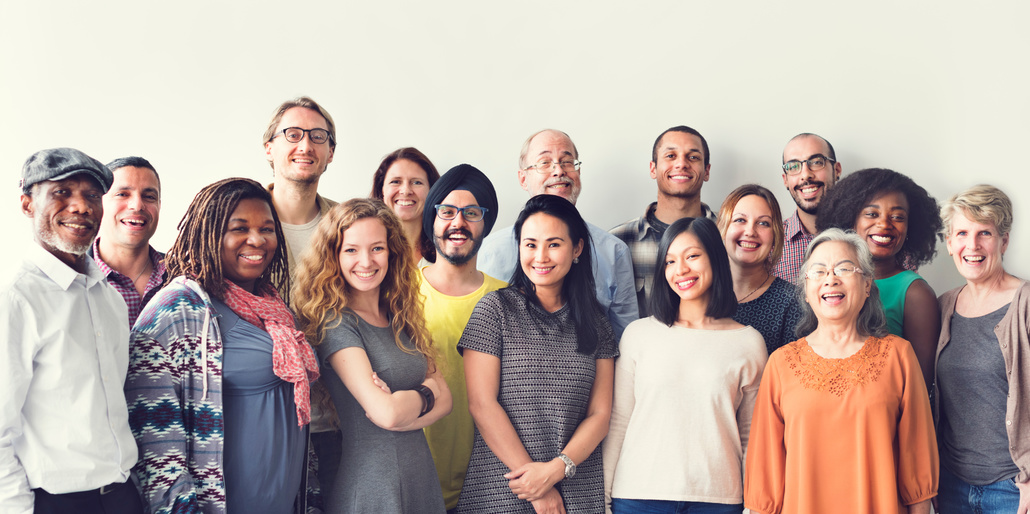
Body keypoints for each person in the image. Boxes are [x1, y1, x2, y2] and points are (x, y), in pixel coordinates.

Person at [126, 178, 321, 514]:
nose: (257, 240)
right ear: (209, 233)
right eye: (239, 228)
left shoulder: (274, 306)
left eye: (267, 228)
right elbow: (154, 445)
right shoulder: (177, 310)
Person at [744, 228, 938, 514]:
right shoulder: (781, 364)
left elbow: (918, 461)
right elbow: (765, 475)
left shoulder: (898, 356)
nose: (830, 279)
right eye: (819, 271)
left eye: (844, 268)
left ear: (867, 284)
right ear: (807, 291)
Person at [2, 148, 142, 513]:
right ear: (27, 204)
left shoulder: (109, 297)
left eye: (93, 196)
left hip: (123, 495)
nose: (81, 206)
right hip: (55, 503)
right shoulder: (15, 298)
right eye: (61, 192)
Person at [458, 194, 618, 513]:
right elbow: (482, 404)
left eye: (554, 244)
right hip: (503, 488)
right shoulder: (495, 310)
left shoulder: (597, 323)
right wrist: (538, 490)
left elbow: (599, 416)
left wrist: (555, 470)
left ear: (577, 249)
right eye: (530, 244)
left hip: (575, 488)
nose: (540, 256)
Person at [293, 198, 452, 513]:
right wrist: (426, 394)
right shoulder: (335, 322)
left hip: (420, 478)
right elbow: (387, 415)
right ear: (333, 256)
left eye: (376, 248)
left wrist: (410, 403)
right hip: (372, 488)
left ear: (392, 252)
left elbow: (447, 400)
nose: (365, 261)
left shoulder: (401, 316)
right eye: (351, 249)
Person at [604, 217, 766, 514]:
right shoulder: (639, 335)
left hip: (719, 500)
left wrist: (753, 506)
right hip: (639, 496)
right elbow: (619, 421)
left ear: (715, 260)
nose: (681, 270)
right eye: (670, 261)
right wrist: (603, 498)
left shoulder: (748, 343)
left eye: (692, 256)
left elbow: (752, 436)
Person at [478, 129, 638, 338]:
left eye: (567, 162)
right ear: (523, 178)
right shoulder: (492, 251)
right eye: (545, 163)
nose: (558, 171)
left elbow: (625, 339)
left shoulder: (613, 250)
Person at [262, 96, 343, 491]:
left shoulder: (349, 225)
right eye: (292, 134)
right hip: (262, 417)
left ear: (330, 153)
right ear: (269, 148)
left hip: (338, 420)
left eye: (317, 137)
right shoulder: (239, 223)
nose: (305, 145)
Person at [934, 185, 1029, 514]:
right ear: (949, 243)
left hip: (1013, 488)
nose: (971, 245)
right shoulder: (944, 305)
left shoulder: (1026, 304)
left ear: (1003, 241)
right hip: (951, 485)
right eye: (961, 233)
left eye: (984, 232)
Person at [418, 164, 507, 512]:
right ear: (433, 219)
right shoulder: (397, 292)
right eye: (447, 211)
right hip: (413, 477)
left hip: (485, 483)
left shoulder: (508, 299)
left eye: (471, 213)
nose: (458, 222)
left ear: (485, 224)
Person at [816, 168, 941, 393]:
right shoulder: (827, 284)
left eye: (898, 217)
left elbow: (920, 387)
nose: (884, 224)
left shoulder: (915, 293)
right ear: (850, 219)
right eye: (872, 214)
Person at [611, 125, 717, 318]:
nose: (681, 164)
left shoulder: (730, 233)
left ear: (707, 170)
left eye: (693, 157)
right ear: (653, 168)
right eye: (670, 156)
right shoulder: (617, 242)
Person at [717, 184, 802, 354]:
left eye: (763, 223)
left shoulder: (793, 303)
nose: (750, 231)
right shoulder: (700, 293)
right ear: (723, 229)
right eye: (740, 220)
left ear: (775, 236)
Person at [91, 156, 167, 327]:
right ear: (98, 203)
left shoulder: (185, 276)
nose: (137, 205)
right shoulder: (71, 278)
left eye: (149, 197)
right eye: (122, 194)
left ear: (159, 206)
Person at [773, 133, 842, 283]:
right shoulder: (770, 244)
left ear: (836, 170)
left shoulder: (865, 235)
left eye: (816, 162)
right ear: (785, 180)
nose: (805, 175)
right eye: (793, 166)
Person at [370, 147, 441, 266]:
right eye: (396, 181)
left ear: (432, 190)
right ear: (381, 189)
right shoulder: (365, 249)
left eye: (417, 182)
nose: (406, 191)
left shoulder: (446, 248)